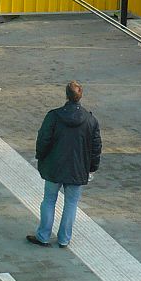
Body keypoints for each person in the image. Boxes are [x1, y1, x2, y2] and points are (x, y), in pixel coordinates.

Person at [27, 81, 102, 249]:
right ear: (81, 96)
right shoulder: (90, 120)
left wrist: (41, 157)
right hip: (77, 169)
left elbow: (43, 139)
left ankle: (43, 236)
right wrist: (92, 168)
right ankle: (64, 239)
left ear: (66, 95)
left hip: (55, 166)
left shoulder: (54, 116)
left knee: (48, 200)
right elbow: (96, 147)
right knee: (71, 203)